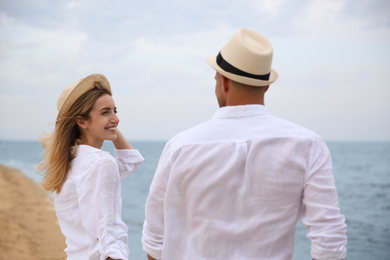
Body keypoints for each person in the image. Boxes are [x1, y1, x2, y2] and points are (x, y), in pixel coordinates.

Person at [142, 28, 347, 260]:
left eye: (216, 79)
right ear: (266, 85)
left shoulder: (181, 146)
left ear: (225, 83)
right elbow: (329, 239)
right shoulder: (308, 145)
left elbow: (156, 239)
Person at [38, 74, 144, 260]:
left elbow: (130, 162)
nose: (116, 119)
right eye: (105, 112)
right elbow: (104, 237)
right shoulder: (100, 162)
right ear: (81, 121)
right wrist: (109, 125)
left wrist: (108, 123)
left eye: (115, 111)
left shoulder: (72, 160)